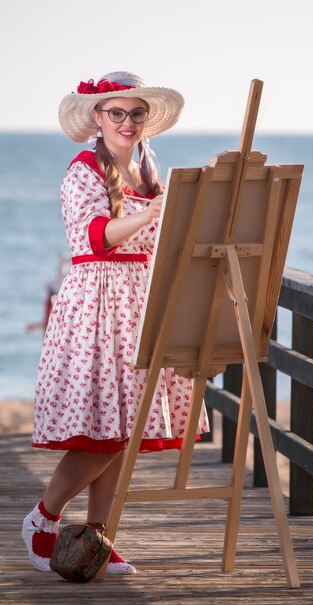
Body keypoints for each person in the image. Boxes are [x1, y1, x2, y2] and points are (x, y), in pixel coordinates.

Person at [22, 71, 209, 575]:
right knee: (101, 431)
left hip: (140, 304)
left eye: (136, 113)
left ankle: (98, 535)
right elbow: (97, 236)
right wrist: (155, 214)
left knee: (124, 430)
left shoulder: (150, 171)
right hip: (100, 306)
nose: (127, 121)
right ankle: (44, 518)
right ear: (97, 119)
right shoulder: (82, 169)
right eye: (117, 113)